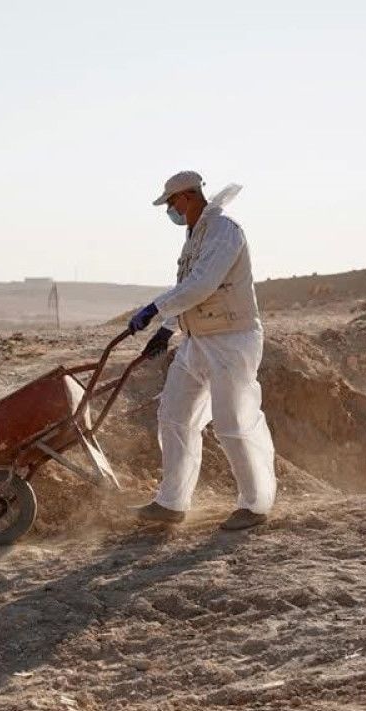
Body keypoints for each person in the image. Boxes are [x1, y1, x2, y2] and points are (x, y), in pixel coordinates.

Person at [126, 171, 276, 531]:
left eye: (172, 203)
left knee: (232, 423)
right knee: (174, 414)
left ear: (189, 197)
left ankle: (255, 505)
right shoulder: (195, 236)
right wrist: (165, 330)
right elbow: (188, 288)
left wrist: (154, 309)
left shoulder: (225, 231)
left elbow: (202, 285)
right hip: (198, 340)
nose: (171, 212)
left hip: (231, 340)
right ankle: (171, 502)